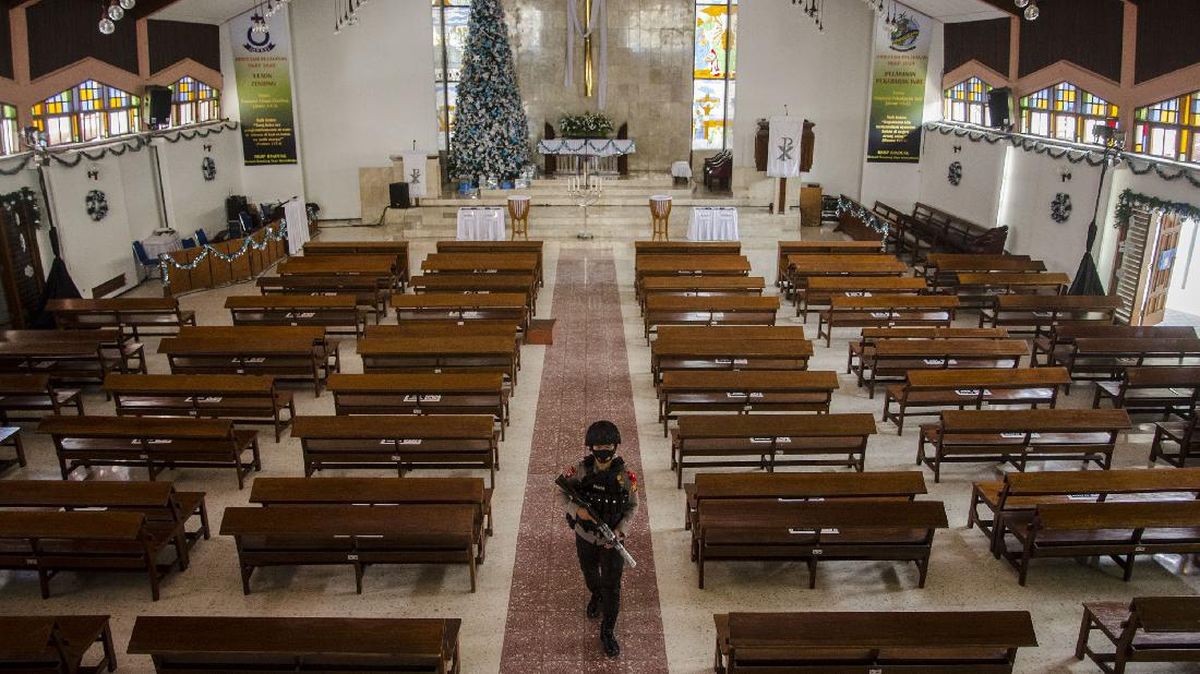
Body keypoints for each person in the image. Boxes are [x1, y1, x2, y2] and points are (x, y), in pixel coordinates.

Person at [557, 420, 639, 658]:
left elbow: (633, 507)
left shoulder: (626, 476)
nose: (603, 450)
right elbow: (562, 492)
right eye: (598, 445)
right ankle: (595, 594)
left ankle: (608, 631)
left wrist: (621, 531)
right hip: (585, 535)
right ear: (590, 447)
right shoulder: (579, 470)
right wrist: (576, 510)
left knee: (613, 586)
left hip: (613, 539)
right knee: (589, 571)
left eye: (608, 445)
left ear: (615, 446)